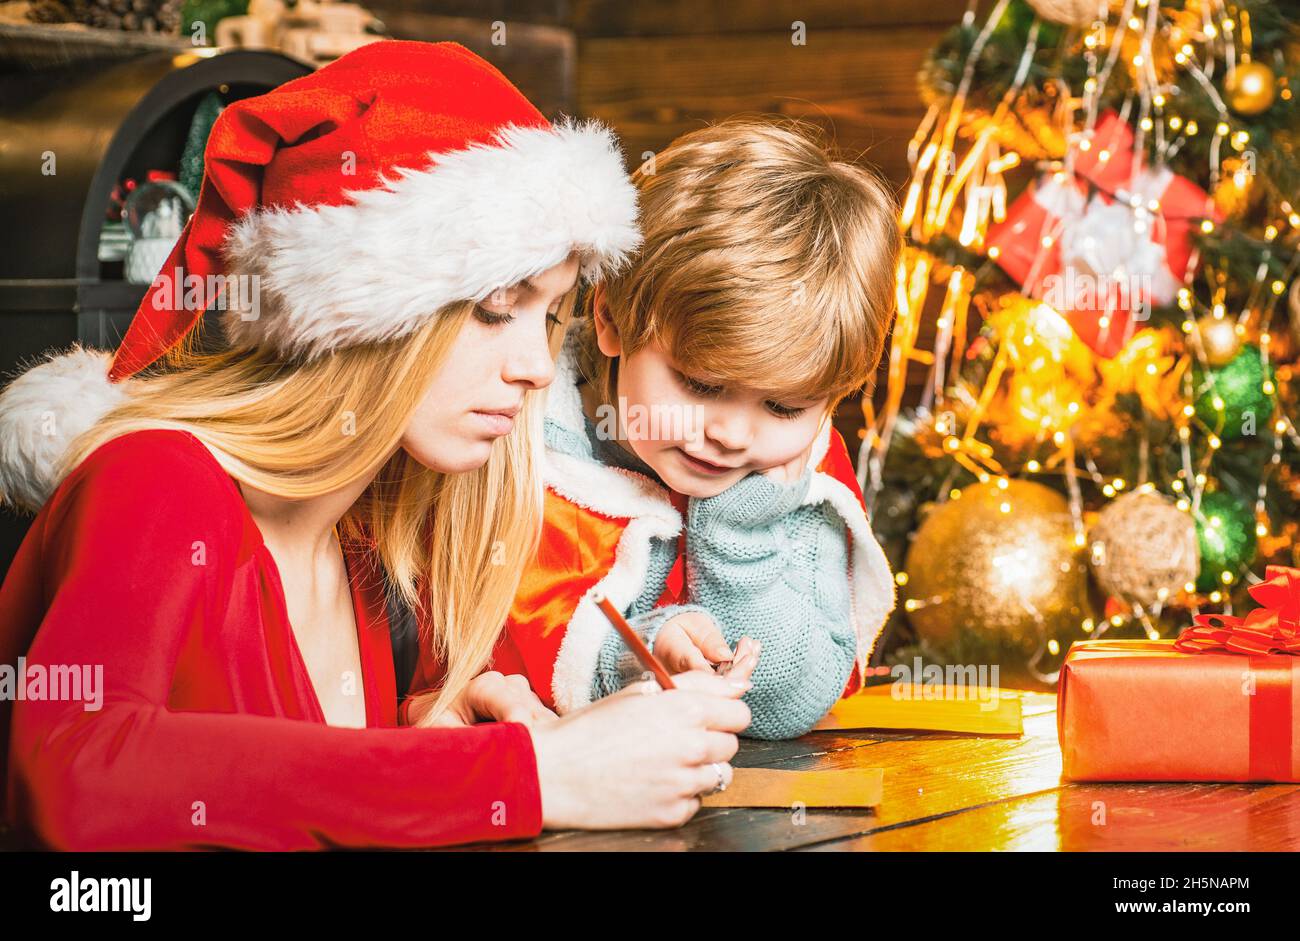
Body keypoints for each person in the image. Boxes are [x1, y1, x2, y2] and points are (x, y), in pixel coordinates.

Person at [0, 41, 749, 851]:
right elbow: (75, 770)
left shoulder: (363, 541)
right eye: (498, 308)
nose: (537, 367)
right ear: (361, 316)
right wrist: (532, 774)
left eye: (551, 314)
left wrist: (425, 743)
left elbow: (280, 786)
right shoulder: (154, 478)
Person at [405, 119, 901, 740]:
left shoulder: (791, 472)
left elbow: (787, 703)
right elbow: (467, 656)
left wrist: (739, 534)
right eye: (700, 385)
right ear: (610, 319)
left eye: (782, 407)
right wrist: (639, 657)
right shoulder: (512, 420)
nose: (731, 434)